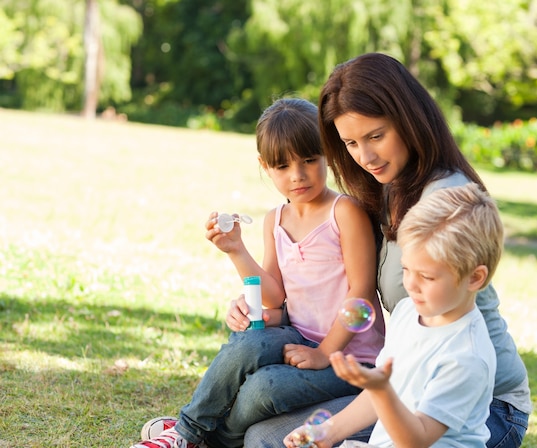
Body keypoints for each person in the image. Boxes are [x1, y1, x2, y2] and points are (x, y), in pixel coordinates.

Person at [246, 53, 531, 448]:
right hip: (403, 380)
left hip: (480, 408)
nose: (365, 157)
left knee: (269, 440)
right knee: (263, 433)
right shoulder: (389, 187)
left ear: (408, 119)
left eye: (376, 136)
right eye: (350, 143)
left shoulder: (445, 200)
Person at [129, 97, 385, 448]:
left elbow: (362, 289)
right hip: (296, 335)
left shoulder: (345, 212)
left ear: (328, 153)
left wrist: (324, 353)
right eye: (282, 166)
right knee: (246, 342)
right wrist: (236, 250)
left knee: (266, 387)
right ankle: (187, 431)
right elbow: (274, 294)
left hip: (349, 360)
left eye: (310, 160)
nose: (298, 175)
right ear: (265, 167)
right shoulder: (275, 220)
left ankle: (201, 438)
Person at [285, 182, 501, 447]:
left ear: (475, 278)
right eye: (406, 269)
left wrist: (381, 390)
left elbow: (417, 440)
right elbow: (378, 393)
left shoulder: (466, 356)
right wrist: (327, 432)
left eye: (427, 276)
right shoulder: (409, 311)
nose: (411, 284)